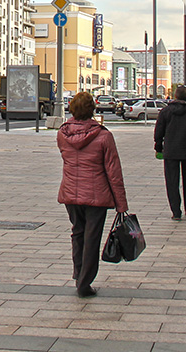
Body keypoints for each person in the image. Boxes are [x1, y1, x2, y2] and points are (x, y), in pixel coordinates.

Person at [57, 92, 129, 298]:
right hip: (96, 196)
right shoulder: (104, 136)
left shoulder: (63, 134)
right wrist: (121, 204)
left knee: (77, 233)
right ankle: (85, 282)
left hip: (71, 193)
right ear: (92, 110)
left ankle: (78, 274)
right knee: (92, 238)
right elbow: (114, 172)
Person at [154, 85, 186, 220]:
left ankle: (176, 211)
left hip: (170, 151)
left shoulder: (166, 111)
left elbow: (159, 131)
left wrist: (158, 147)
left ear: (175, 95)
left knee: (172, 181)